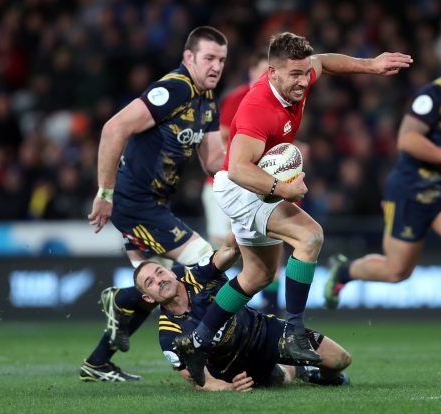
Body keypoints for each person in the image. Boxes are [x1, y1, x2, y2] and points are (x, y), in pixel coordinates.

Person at [174, 31, 413, 386]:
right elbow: (239, 167)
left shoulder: (300, 72)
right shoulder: (259, 107)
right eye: (294, 75)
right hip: (240, 188)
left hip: (254, 188)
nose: (303, 81)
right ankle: (294, 331)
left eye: (305, 74)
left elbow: (324, 62)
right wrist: (283, 188)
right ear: (272, 73)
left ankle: (197, 340)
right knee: (310, 235)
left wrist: (372, 66)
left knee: (258, 276)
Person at [324, 41, 441, 357]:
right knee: (397, 271)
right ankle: (344, 271)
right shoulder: (434, 95)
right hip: (410, 191)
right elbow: (407, 139)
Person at [79, 26, 234, 382]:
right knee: (203, 258)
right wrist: (105, 192)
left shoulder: (207, 97)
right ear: (189, 58)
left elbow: (213, 162)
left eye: (222, 60)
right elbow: (113, 128)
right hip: (136, 203)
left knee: (152, 292)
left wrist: (252, 166)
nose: (215, 66)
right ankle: (121, 300)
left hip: (155, 202)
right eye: (209, 58)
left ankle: (98, 361)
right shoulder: (175, 88)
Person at [133, 245, 351, 391]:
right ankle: (297, 369)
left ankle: (321, 376)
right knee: (279, 379)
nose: (159, 280)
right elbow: (198, 381)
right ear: (147, 297)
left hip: (263, 331)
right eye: (150, 282)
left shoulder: (199, 275)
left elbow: (226, 251)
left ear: (171, 272)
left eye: (160, 272)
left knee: (340, 359)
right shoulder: (168, 334)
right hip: (237, 369)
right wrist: (228, 387)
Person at [203, 50, 280, 314]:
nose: (267, 78)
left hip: (256, 188)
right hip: (224, 184)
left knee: (266, 252)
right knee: (221, 249)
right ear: (251, 72)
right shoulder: (237, 98)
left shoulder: (277, 101)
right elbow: (223, 138)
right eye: (262, 71)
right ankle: (207, 306)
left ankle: (271, 315)